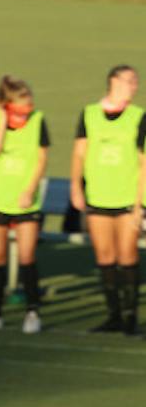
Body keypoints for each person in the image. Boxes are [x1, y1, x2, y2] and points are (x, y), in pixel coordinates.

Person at [71, 65, 146, 336]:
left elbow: (143, 162)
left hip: (127, 199)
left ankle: (130, 317)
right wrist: (76, 187)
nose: (134, 86)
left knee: (127, 256)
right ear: (113, 82)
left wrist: (140, 204)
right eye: (129, 80)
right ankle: (112, 314)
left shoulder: (139, 117)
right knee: (105, 256)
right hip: (99, 197)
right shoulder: (90, 114)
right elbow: (79, 154)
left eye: (136, 82)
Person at [0, 76, 50, 333]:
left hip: (25, 201)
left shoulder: (38, 120)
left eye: (29, 102)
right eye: (22, 103)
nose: (27, 108)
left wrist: (29, 190)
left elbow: (41, 160)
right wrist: (4, 123)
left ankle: (32, 313)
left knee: (27, 257)